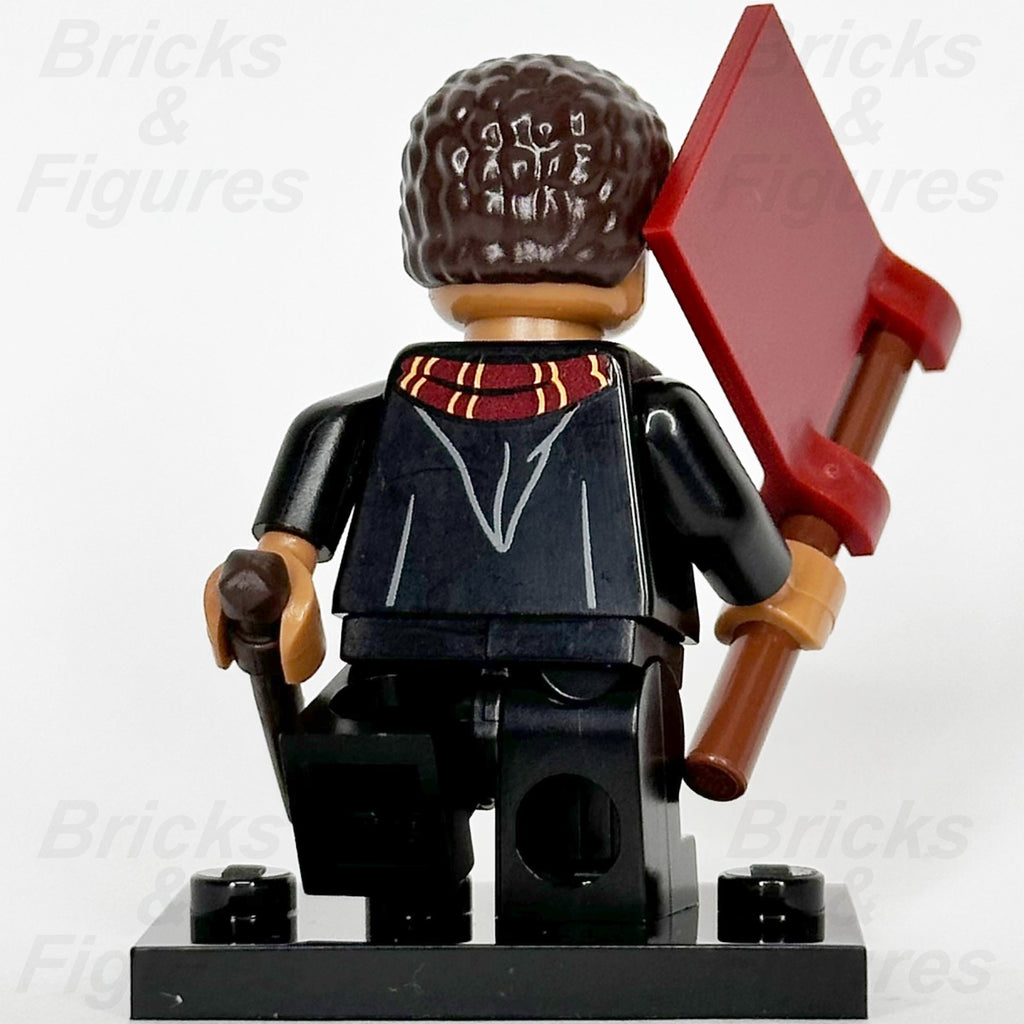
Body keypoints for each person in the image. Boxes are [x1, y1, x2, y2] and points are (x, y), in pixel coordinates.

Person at [206, 54, 791, 944]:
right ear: (638, 262)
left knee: (391, 758)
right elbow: (733, 540)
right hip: (575, 668)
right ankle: (570, 921)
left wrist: (283, 562)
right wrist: (786, 583)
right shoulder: (652, 411)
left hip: (418, 669)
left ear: (429, 250)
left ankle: (421, 918)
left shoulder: (380, 409)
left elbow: (296, 519)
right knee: (565, 781)